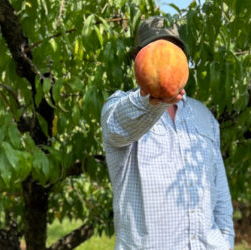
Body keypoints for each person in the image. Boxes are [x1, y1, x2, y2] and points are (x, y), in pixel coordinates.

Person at [101, 16, 235, 250]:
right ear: (137, 60)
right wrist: (152, 100)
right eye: (154, 49)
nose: (163, 57)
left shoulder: (204, 116)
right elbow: (118, 126)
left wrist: (226, 242)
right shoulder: (119, 109)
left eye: (172, 50)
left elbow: (219, 191)